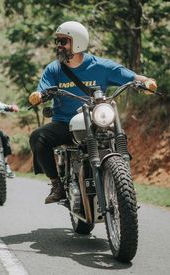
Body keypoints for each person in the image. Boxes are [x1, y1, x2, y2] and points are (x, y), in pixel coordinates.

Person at [28, 21, 157, 204]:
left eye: (64, 41)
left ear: (78, 42)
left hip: (97, 120)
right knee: (38, 137)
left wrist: (145, 82)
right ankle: (56, 184)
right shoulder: (54, 69)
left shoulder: (101, 66)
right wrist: (38, 95)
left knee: (118, 134)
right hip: (65, 124)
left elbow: (129, 76)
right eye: (57, 41)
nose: (59, 46)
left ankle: (124, 184)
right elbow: (42, 89)